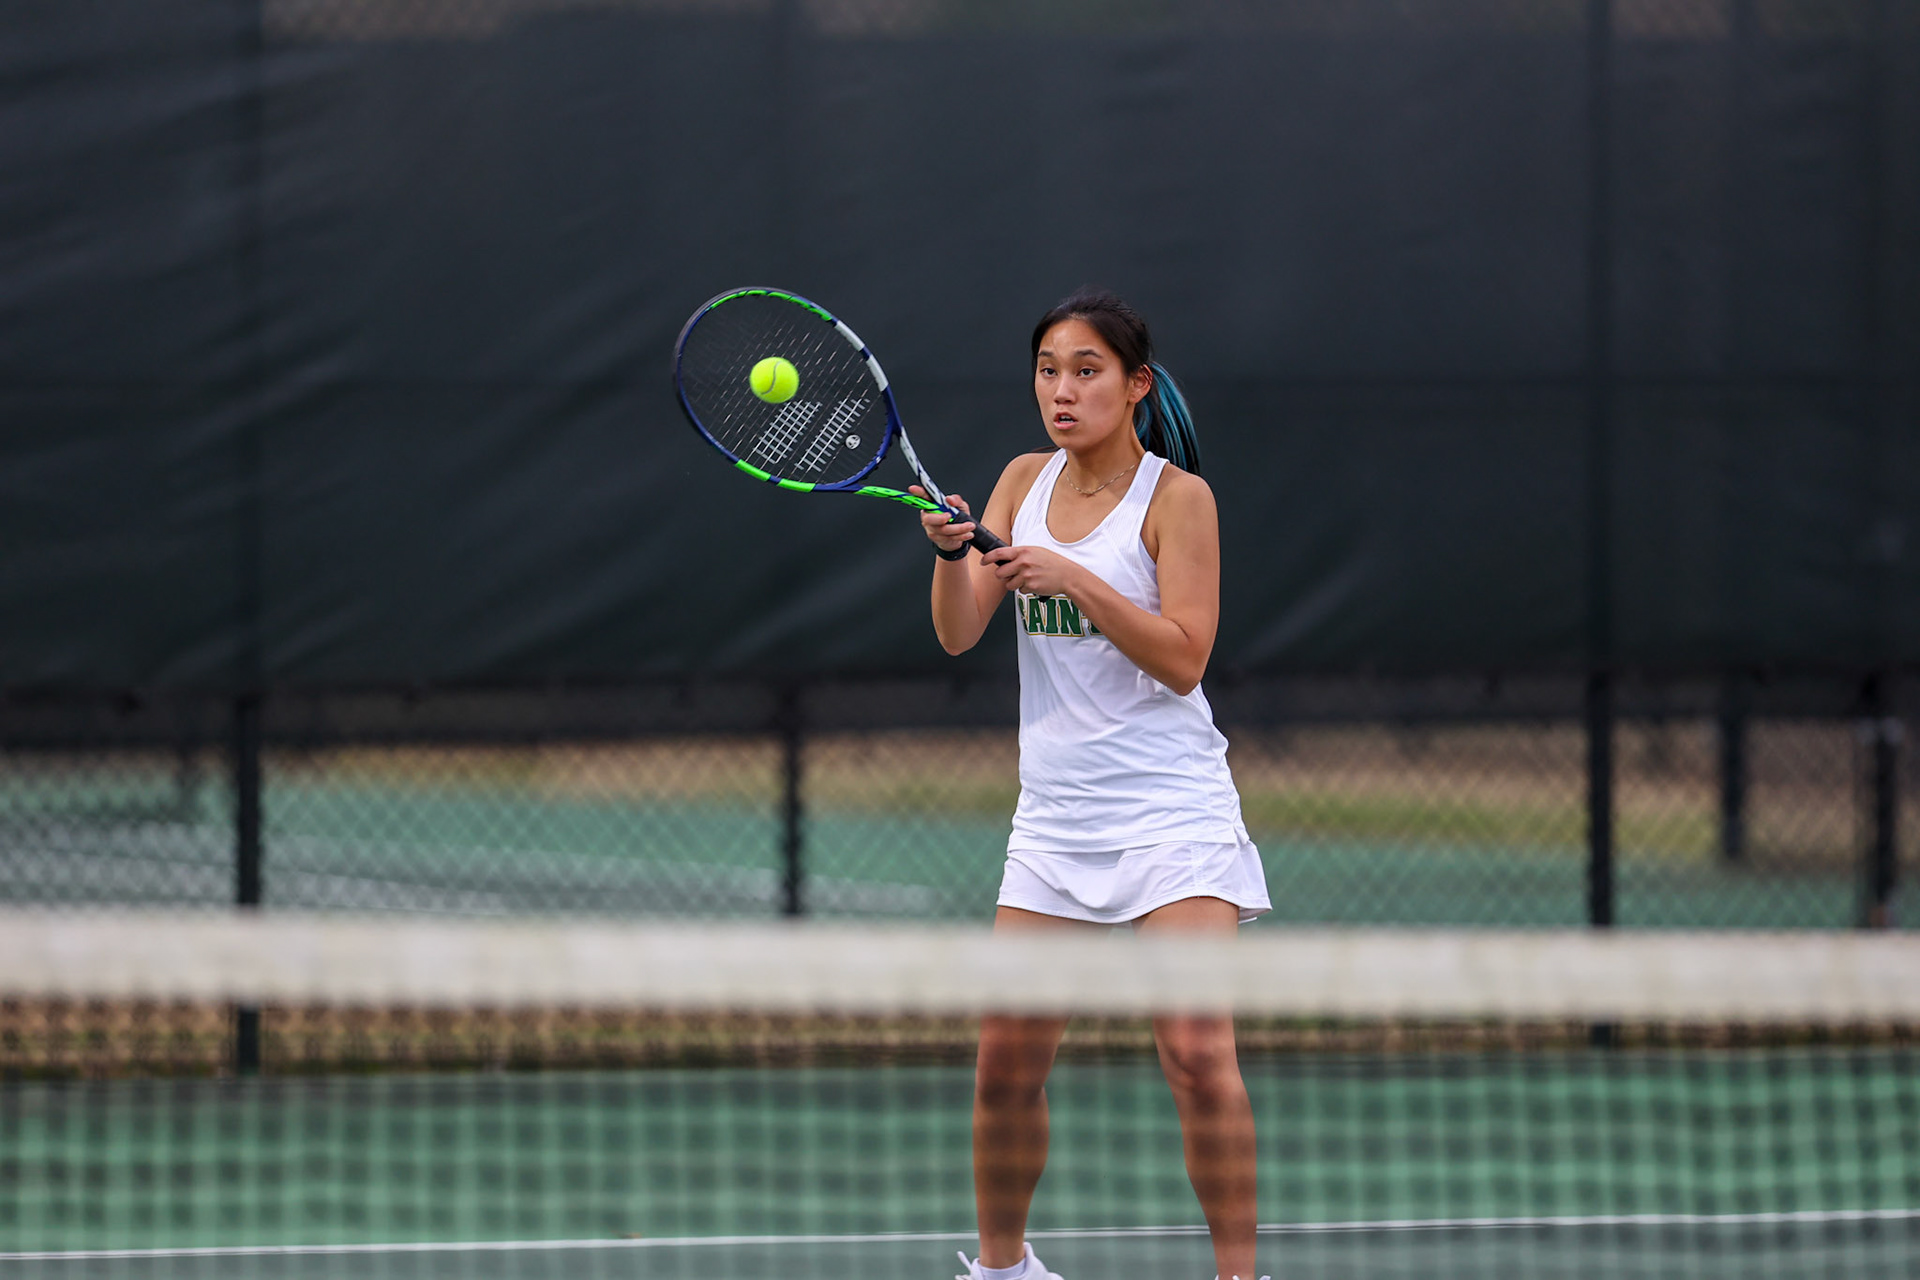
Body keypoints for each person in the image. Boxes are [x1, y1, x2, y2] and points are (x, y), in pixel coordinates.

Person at [912, 289, 1270, 1280]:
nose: (1061, 392)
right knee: (1003, 1070)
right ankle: (1002, 1268)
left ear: (1135, 384)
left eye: (1085, 371)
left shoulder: (1178, 499)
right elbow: (957, 628)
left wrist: (1078, 579)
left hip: (1173, 814)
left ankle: (1239, 1276)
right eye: (1047, 370)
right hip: (1057, 823)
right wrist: (953, 558)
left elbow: (1186, 656)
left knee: (1198, 1056)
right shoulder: (1019, 481)